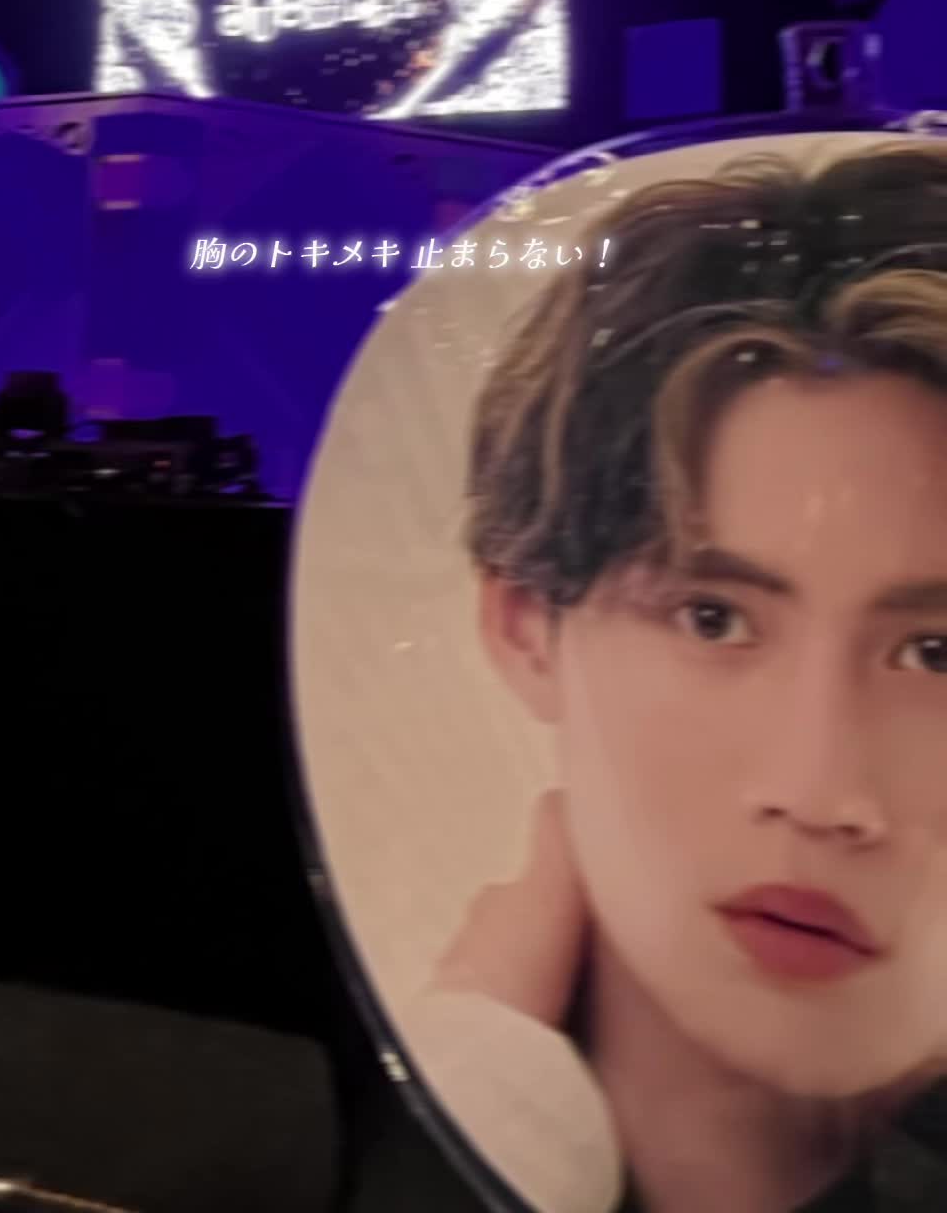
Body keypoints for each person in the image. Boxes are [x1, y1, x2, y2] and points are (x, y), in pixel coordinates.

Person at [402, 144, 947, 1213]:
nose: (819, 793)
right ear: (525, 623)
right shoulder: (270, 1127)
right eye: (714, 619)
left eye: (936, 654)